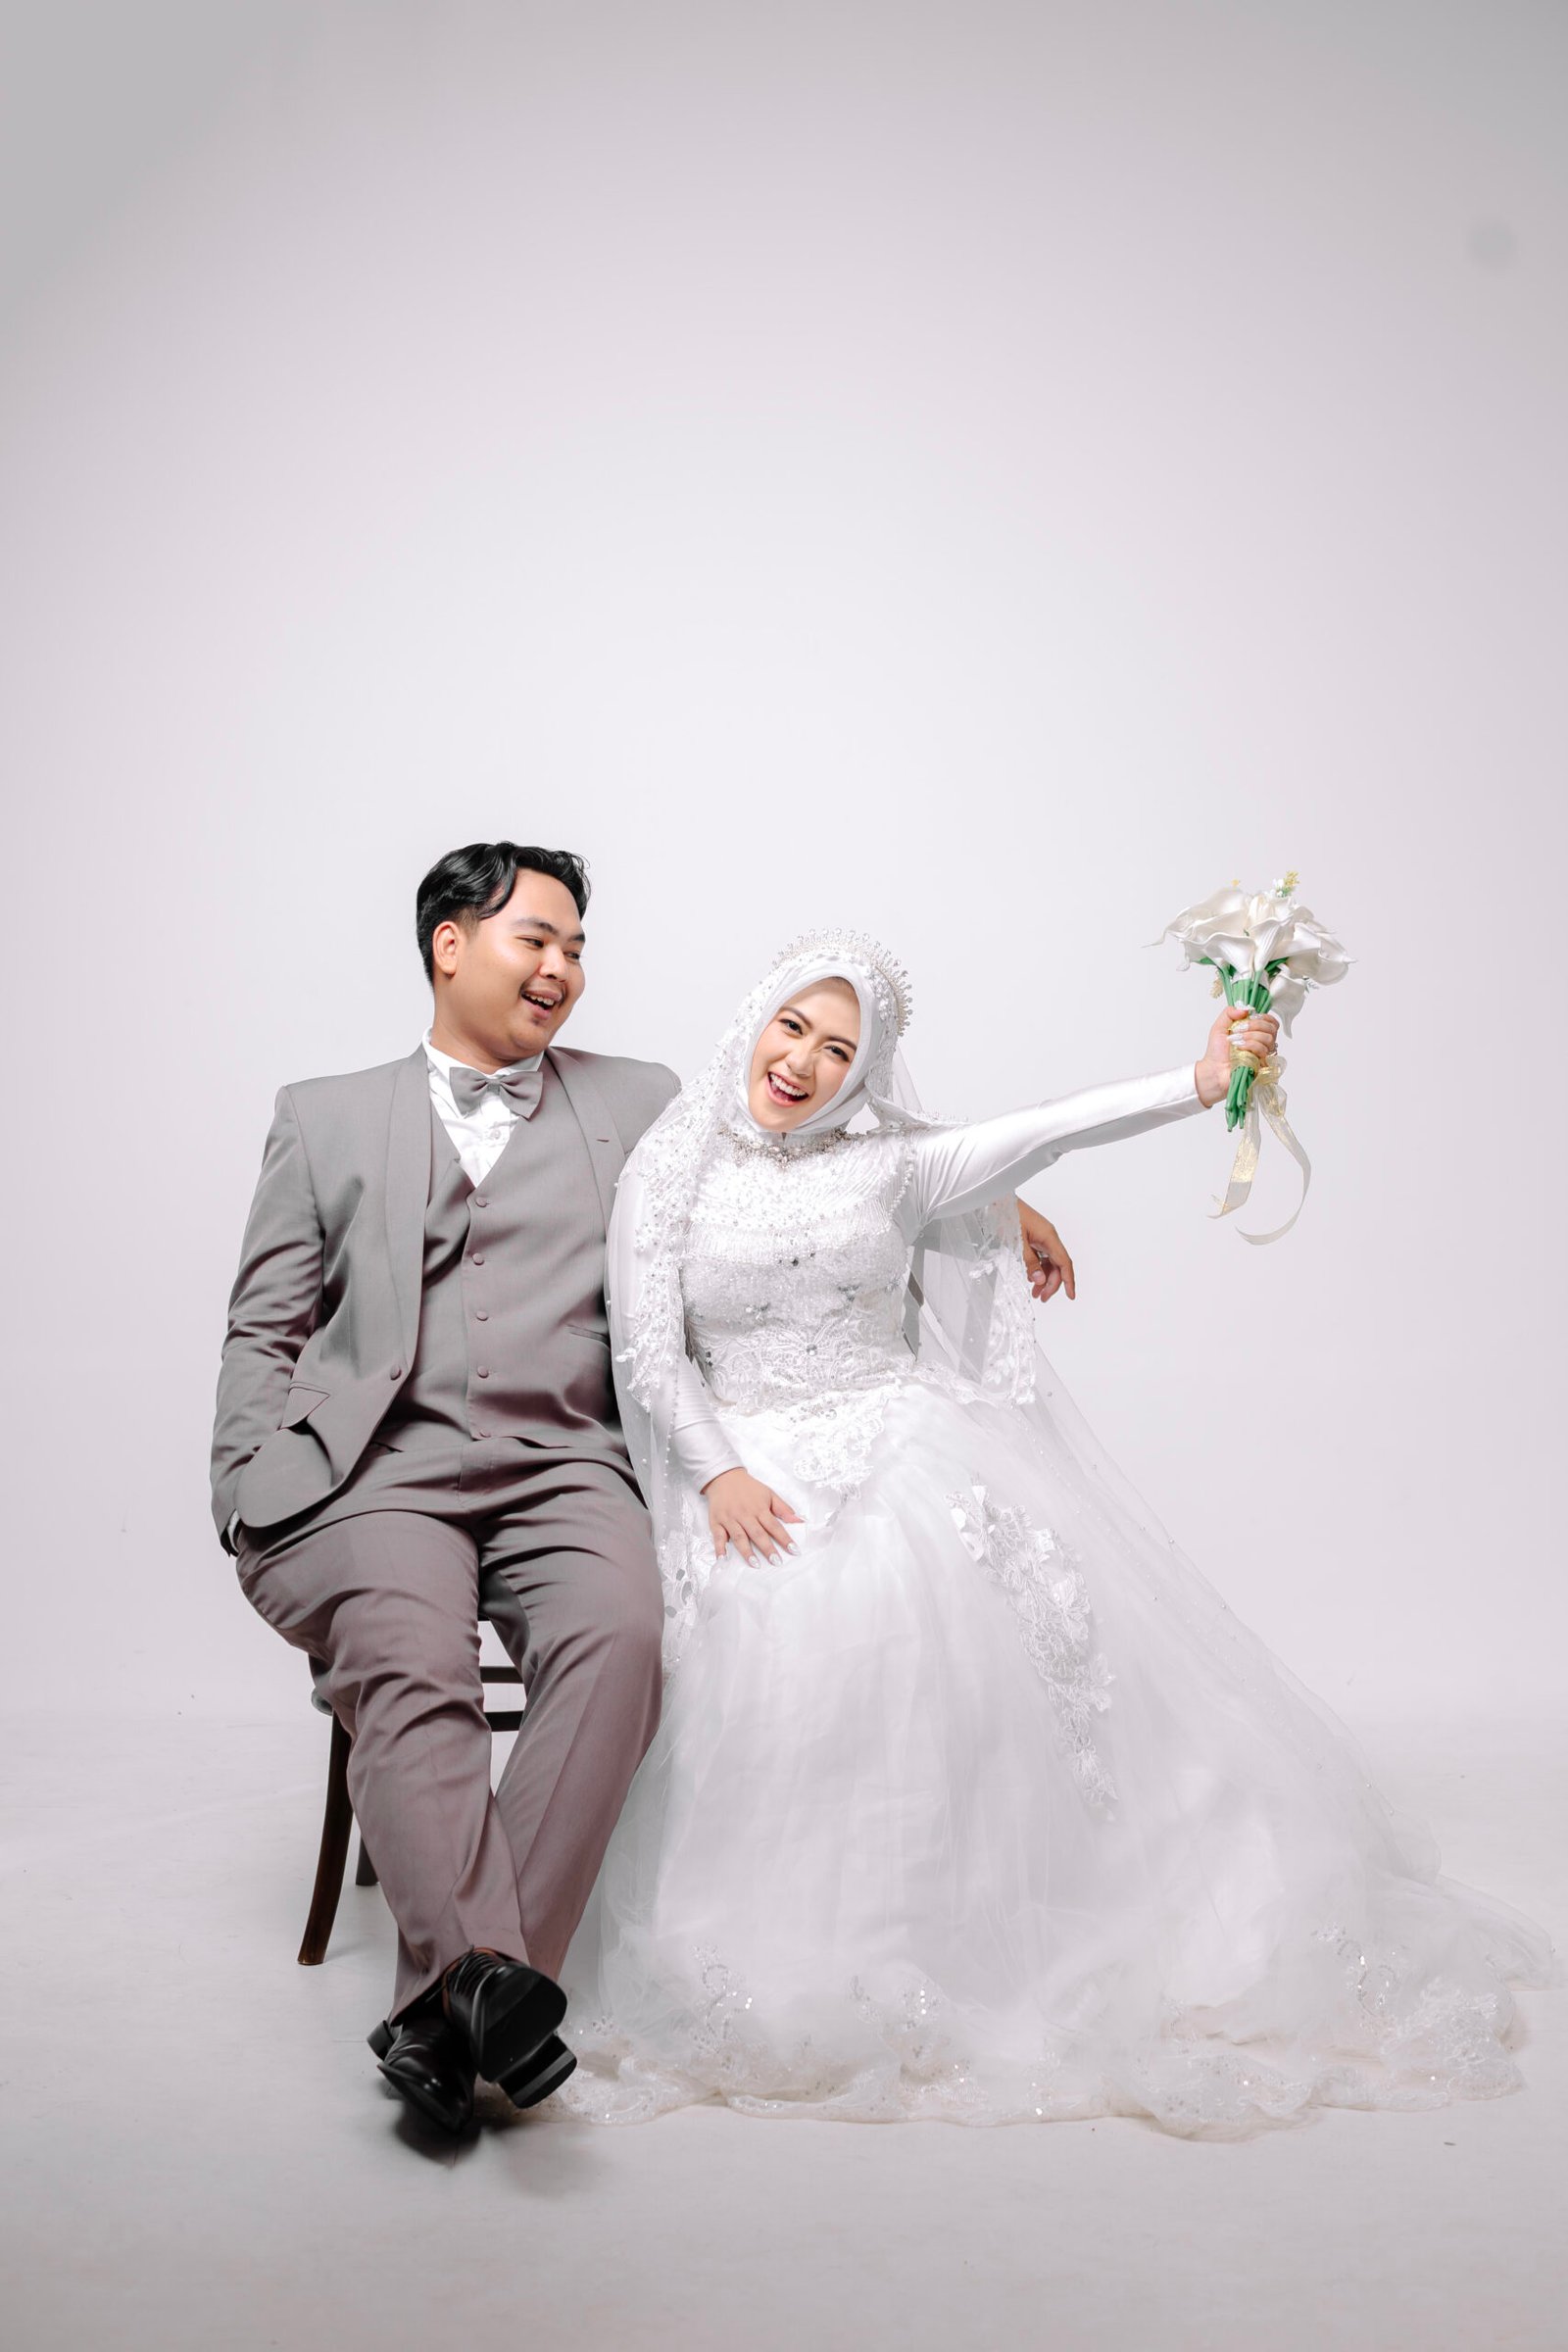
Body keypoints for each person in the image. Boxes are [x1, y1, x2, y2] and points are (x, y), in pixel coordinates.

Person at [559, 931, 1557, 2133]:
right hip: (741, 1459)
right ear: (753, 1021)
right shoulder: (674, 1160)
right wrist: (718, 1473)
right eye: (792, 1029)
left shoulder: (896, 1164)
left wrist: (1199, 1082)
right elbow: (646, 1349)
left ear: (865, 1075)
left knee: (921, 1598)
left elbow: (1052, 1127)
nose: (803, 1063)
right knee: (789, 1618)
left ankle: (983, 1927)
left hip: (894, 1438)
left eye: (838, 1051)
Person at [211, 849, 1069, 2132]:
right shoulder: (322, 1115)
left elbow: (808, 1149)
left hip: (564, 1463)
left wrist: (994, 1206)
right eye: (536, 941)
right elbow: (264, 1326)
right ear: (450, 945)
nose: (563, 969)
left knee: (623, 1641)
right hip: (381, 1474)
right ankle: (475, 1998)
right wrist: (245, 1475)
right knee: (411, 1655)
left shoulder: (643, 1102)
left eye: (577, 949)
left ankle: (455, 2003)